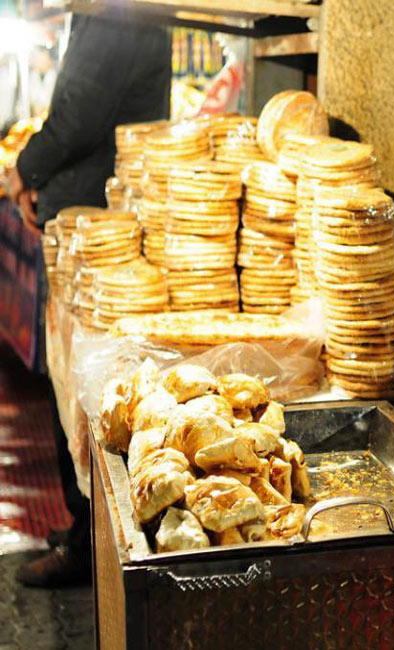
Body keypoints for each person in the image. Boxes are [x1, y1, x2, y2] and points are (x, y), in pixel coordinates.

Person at [7, 11, 170, 587]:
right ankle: (82, 524)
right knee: (67, 376)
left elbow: (79, 116)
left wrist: (25, 169)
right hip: (87, 220)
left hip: (99, 230)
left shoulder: (116, 14)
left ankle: (89, 541)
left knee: (83, 385)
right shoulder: (104, 14)